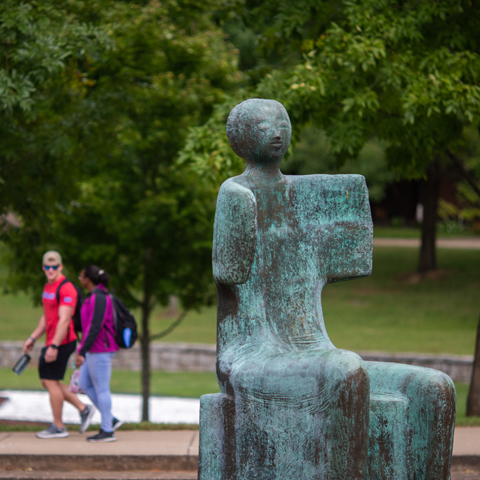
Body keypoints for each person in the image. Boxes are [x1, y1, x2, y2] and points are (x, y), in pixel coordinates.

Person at [23, 251, 95, 439]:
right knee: (47, 381)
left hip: (62, 340)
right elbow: (47, 316)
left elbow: (64, 320)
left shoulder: (66, 288)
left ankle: (58, 426)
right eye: (47, 266)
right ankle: (83, 408)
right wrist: (33, 338)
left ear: (61, 267)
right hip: (52, 340)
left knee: (50, 381)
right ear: (43, 267)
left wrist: (54, 346)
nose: (51, 270)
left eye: (54, 267)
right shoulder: (48, 286)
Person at [75, 265, 122, 442]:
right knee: (84, 383)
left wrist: (82, 350)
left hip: (101, 349)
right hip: (93, 350)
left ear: (88, 279)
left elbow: (95, 326)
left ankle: (107, 430)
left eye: (81, 276)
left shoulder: (100, 298)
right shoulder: (92, 297)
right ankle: (110, 419)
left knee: (102, 389)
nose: (79, 279)